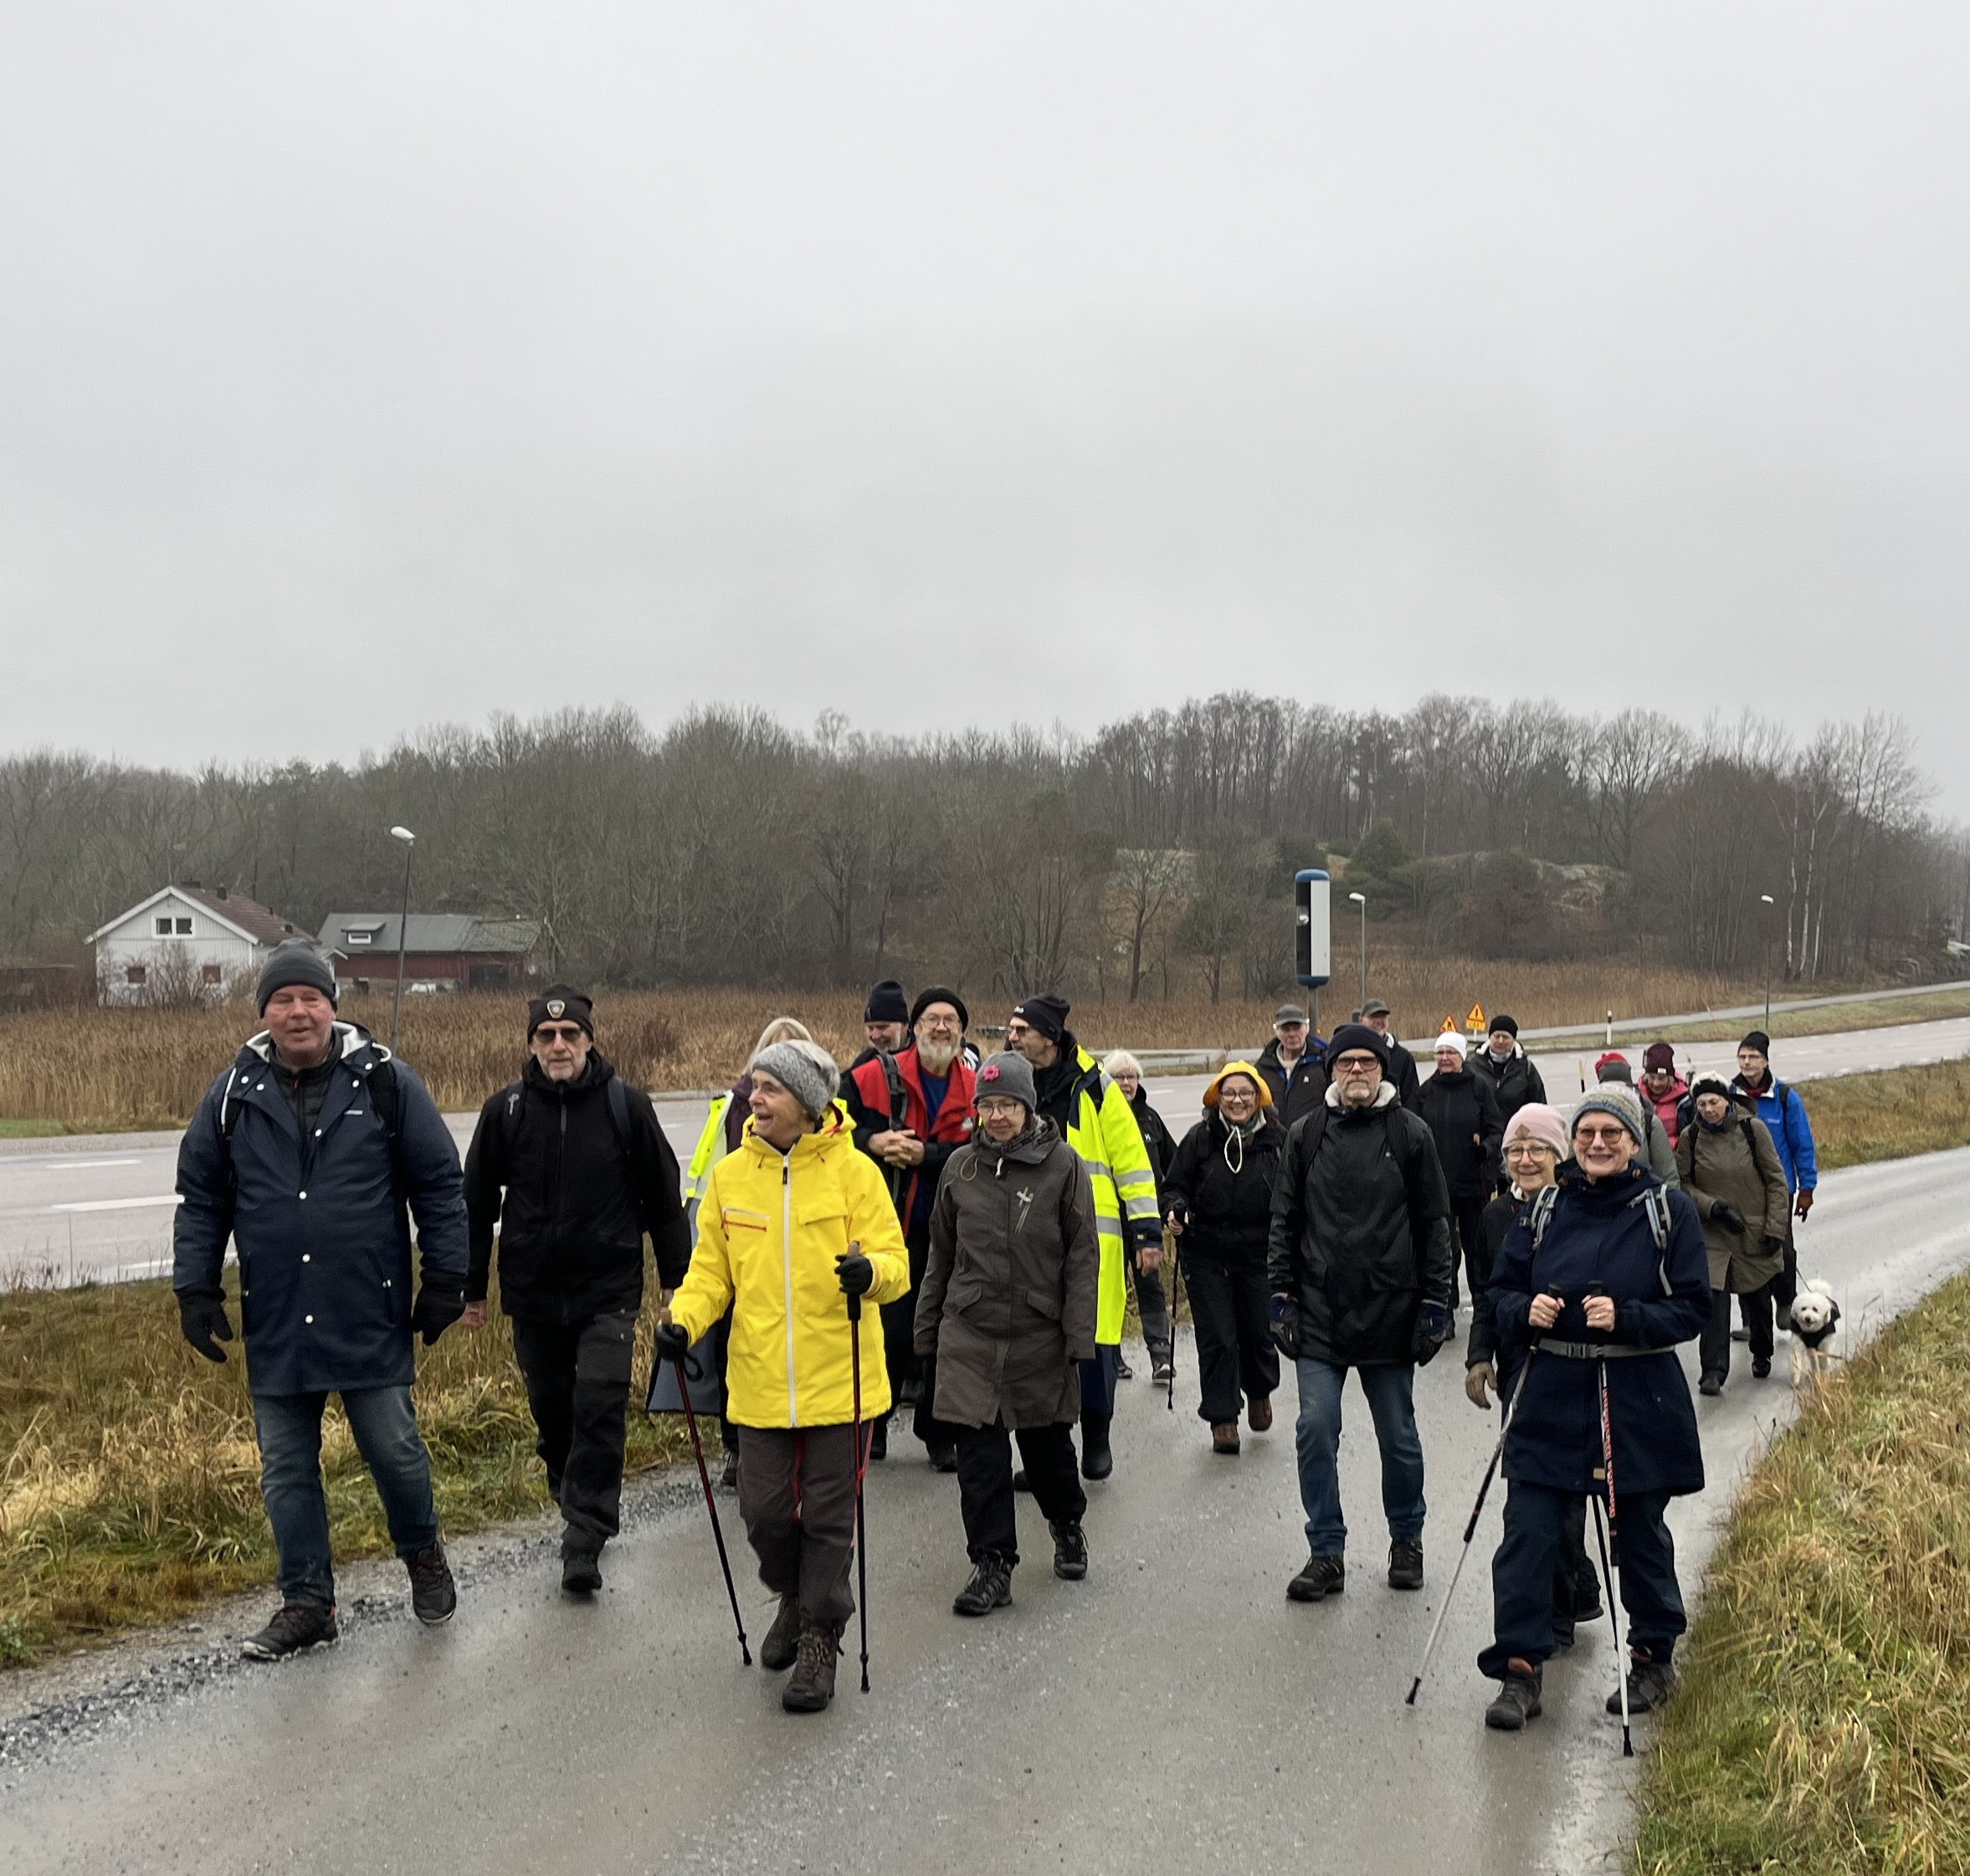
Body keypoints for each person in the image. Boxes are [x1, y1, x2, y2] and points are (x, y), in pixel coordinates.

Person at [172, 939, 469, 1661]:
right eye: (283, 1000)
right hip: (277, 1315)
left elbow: (439, 1184)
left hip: (365, 1309)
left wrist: (446, 1280)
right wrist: (195, 1288)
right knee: (286, 1470)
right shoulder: (232, 1096)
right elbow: (202, 1198)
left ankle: (423, 1553)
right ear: (264, 1012)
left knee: (394, 1452)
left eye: (311, 998)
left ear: (333, 1008)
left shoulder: (387, 1082)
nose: (298, 1012)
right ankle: (308, 1603)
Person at [655, 1038, 909, 1714]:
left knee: (828, 1519)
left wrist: (871, 1273)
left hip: (842, 1380)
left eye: (769, 1088)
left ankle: (821, 1635)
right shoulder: (732, 1177)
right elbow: (710, 1274)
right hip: (760, 1380)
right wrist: (684, 1321)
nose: (755, 1099)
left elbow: (897, 1264)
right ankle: (795, 1597)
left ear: (806, 1101)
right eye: (754, 1087)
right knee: (764, 1512)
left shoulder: (855, 1173)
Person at [1479, 1083, 1709, 1732]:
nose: (1598, 1144)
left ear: (1635, 1142)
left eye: (1612, 1133)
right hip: (1549, 1394)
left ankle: (1653, 1659)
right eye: (1587, 1134)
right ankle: (1519, 1671)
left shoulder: (1668, 1211)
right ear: (1573, 1143)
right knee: (1528, 1536)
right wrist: (1525, 1310)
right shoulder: (1543, 1208)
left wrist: (1629, 1317)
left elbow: (1694, 1306)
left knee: (1638, 1537)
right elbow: (1499, 1292)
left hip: (1635, 1394)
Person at [461, 986, 690, 1593]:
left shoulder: (626, 1107)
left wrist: (679, 1283)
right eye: (547, 1035)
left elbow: (664, 1199)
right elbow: (476, 1203)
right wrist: (471, 1286)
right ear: (532, 1043)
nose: (559, 1045)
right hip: (532, 1293)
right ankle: (571, 1485)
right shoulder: (505, 1112)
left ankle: (584, 1536)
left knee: (600, 1404)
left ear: (590, 1040)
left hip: (608, 1290)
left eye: (570, 1035)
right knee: (554, 1410)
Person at [1266, 1022, 1454, 1601]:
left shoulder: (1410, 1133)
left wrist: (1435, 1302)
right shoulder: (1306, 1134)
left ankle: (1407, 1541)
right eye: (1346, 1063)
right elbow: (1285, 1220)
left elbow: (1435, 1223)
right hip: (1319, 1311)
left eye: (1366, 1063)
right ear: (1332, 1072)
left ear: (1382, 1071)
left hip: (1390, 1310)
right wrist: (1280, 1295)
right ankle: (1326, 1552)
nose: (1356, 1071)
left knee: (1397, 1435)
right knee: (1315, 1428)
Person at [916, 1051, 1099, 1615]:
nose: (996, 1116)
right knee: (980, 1460)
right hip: (970, 1334)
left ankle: (1066, 1524)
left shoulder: (1063, 1166)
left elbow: (1082, 1256)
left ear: (1028, 1108)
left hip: (1038, 1335)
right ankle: (992, 1564)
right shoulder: (960, 1168)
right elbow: (940, 1255)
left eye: (1008, 1106)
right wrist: (926, 1330)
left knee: (1047, 1455)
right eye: (988, 1105)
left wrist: (1079, 1336)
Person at [1005, 993, 1161, 1481]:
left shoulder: (1095, 1086)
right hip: (1028, 1238)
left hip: (1092, 1239)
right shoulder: (1010, 1082)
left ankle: (1096, 1439)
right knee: (1035, 1349)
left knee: (1093, 1346)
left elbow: (1132, 1161)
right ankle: (1046, 1459)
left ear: (1049, 1037)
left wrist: (1147, 1233)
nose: (1011, 1038)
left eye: (1021, 1030)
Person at [1463, 1105, 1602, 1652]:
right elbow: (1485, 1294)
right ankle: (1553, 1608)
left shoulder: (1582, 1209)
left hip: (1575, 1366)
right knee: (1530, 1499)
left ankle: (1564, 1606)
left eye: (1537, 1149)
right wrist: (1480, 1356)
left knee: (1566, 1497)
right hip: (1521, 1367)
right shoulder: (1495, 1217)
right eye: (1515, 1151)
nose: (1525, 1160)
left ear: (1559, 1155)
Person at [679, 1015, 818, 1489]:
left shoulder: (829, 1118)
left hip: (800, 1250)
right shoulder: (731, 1108)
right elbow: (713, 1177)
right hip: (743, 1240)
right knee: (733, 1351)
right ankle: (738, 1446)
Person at [845, 986, 978, 1467]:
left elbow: (984, 1150)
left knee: (946, 1334)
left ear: (961, 1033)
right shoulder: (872, 1077)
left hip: (954, 1234)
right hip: (891, 1229)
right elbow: (832, 1127)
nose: (940, 1028)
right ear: (914, 1028)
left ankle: (938, 1433)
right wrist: (871, 1141)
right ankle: (876, 1423)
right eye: (931, 1020)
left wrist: (928, 1155)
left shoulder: (978, 1087)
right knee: (892, 1332)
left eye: (950, 1021)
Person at [1164, 1064, 1284, 1454]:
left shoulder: (1277, 1140)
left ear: (1259, 1098)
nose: (1237, 1100)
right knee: (1218, 1337)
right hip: (1207, 1253)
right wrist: (1175, 1209)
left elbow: (1295, 1192)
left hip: (1260, 1253)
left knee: (1259, 1332)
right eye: (1229, 1093)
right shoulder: (1200, 1139)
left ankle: (1260, 1390)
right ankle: (1223, 1418)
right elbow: (1174, 1187)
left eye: (1246, 1093)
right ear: (1218, 1097)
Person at [1677, 1073, 1790, 1396]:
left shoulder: (1753, 1129)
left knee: (1757, 1298)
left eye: (1713, 1102)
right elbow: (1683, 1183)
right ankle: (1712, 1372)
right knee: (1714, 1302)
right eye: (1701, 1104)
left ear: (1727, 1101)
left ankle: (1762, 1351)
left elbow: (1776, 1180)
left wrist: (1775, 1228)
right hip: (1714, 1233)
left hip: (1752, 1230)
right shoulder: (1691, 1137)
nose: (1708, 1109)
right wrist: (1712, 1207)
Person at [1730, 1030, 1818, 1319]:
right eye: (1742, 1056)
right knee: (1744, 1252)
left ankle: (1785, 1303)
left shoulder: (1784, 1097)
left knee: (1782, 1247)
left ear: (1766, 1061)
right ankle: (1751, 1318)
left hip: (1779, 1187)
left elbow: (1802, 1144)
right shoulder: (1729, 1095)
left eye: (1753, 1057)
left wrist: (1806, 1189)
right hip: (1742, 1188)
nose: (1746, 1062)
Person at [1414, 1031, 1503, 1314]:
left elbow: (1496, 1130)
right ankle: (1446, 1310)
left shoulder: (1479, 1087)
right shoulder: (1426, 1091)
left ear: (1462, 1056)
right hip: (1437, 1185)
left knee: (1475, 1249)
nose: (1444, 1058)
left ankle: (1482, 1308)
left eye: (1450, 1053)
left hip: (1473, 1185)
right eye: (1439, 1053)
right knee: (1444, 1251)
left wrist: (1485, 1149)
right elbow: (1414, 1133)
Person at [1103, 1048, 1175, 1384]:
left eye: (1131, 1077)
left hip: (1144, 1221)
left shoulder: (1151, 1119)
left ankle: (1161, 1356)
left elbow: (1173, 1164)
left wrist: (1172, 1203)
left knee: (1150, 1285)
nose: (1126, 1083)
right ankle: (1112, 1356)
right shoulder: (1100, 1120)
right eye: (1118, 1077)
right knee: (1112, 1287)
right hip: (1109, 1221)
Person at [1469, 1015, 1546, 1184]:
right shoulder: (1472, 1066)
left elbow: (1539, 1107)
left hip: (1516, 1144)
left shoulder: (1526, 1068)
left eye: (1506, 1037)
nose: (1500, 1041)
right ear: (1489, 1037)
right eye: (1496, 1036)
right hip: (1484, 1147)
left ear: (1514, 1040)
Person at [1594, 1053, 1680, 1189]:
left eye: (1621, 1090)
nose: (1616, 1096)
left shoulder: (1649, 1124)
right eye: (1609, 1090)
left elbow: (1668, 1178)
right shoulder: (1587, 1128)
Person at [1255, 1003, 1327, 1129]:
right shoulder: (1263, 1068)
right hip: (1275, 1137)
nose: (1292, 1034)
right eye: (1286, 1029)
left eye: (1297, 1028)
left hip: (1313, 1136)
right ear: (1277, 1032)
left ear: (1306, 1028)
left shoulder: (1323, 1063)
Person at [1359, 998, 1421, 1110]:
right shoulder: (1349, 1055)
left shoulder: (1403, 1057)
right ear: (1361, 1020)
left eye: (1383, 1017)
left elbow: (1412, 1100)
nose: (1378, 1021)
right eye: (1373, 1017)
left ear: (1389, 1020)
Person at [850, 980, 911, 1069]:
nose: (875, 1036)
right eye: (870, 1028)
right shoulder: (864, 1062)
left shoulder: (924, 1059)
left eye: (882, 1027)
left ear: (904, 1025)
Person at [1641, 1043, 1688, 1150]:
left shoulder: (1684, 1100)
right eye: (1652, 1077)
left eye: (1661, 1078)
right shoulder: (1637, 1096)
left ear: (1670, 1079)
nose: (1656, 1083)